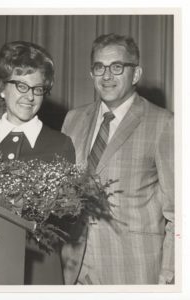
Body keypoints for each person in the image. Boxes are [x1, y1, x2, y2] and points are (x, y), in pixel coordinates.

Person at [0, 41, 75, 285]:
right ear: (1, 87)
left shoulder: (60, 145)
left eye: (38, 88)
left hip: (38, 271)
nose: (30, 96)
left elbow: (65, 221)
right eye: (21, 85)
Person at [61, 33, 174, 285]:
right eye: (99, 67)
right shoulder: (73, 120)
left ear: (135, 74)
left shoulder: (163, 123)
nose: (107, 76)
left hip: (135, 269)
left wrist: (169, 274)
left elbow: (180, 213)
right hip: (74, 267)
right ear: (92, 74)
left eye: (117, 67)